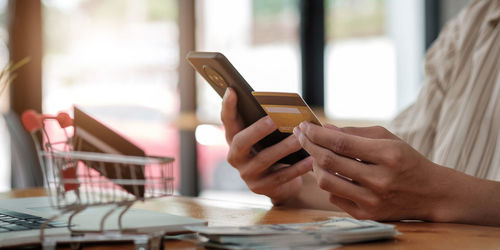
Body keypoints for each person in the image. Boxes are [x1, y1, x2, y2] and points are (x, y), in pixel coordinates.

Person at [220, 0, 500, 226]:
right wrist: (291, 185)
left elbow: (423, 189)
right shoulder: (472, 26)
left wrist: (439, 194)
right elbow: (395, 187)